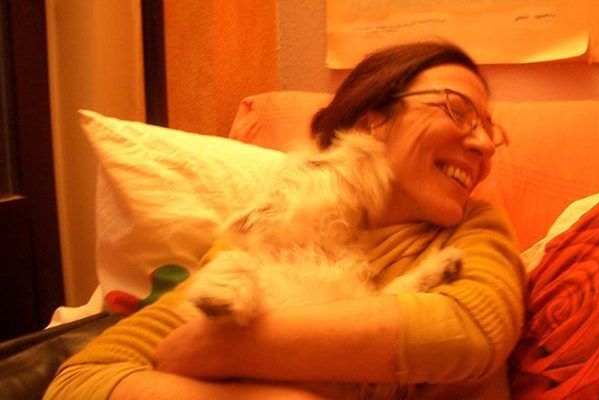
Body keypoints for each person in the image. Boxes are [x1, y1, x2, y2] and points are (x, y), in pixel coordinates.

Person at [43, 41, 524, 400]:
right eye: (457, 110)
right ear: (372, 121)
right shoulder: (274, 223)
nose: (483, 145)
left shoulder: (474, 229)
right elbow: (82, 381)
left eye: (490, 129)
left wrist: (227, 348)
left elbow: (472, 329)